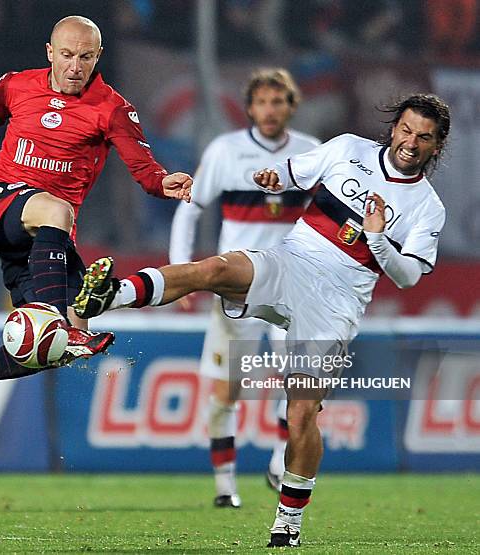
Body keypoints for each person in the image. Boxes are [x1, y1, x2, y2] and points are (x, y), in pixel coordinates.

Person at [74, 94, 450, 547]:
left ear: (436, 146)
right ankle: (110, 295)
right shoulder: (348, 148)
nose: (410, 142)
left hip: (336, 301)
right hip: (291, 261)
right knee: (214, 269)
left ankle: (288, 523)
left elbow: (408, 276)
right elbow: (290, 173)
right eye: (406, 130)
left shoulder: (427, 208)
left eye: (423, 137)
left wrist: (378, 241)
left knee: (302, 412)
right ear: (394, 127)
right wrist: (272, 179)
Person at [0, 15, 192, 434]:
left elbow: (144, 170)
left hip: (43, 237)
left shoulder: (113, 108)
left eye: (85, 57)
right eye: (66, 55)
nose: (74, 66)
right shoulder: (15, 85)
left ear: (98, 56)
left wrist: (165, 182)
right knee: (57, 212)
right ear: (50, 52)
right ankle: (55, 316)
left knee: (52, 348)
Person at [169, 68, 320, 508]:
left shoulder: (310, 154)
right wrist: (182, 273)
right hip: (235, 287)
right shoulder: (226, 151)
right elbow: (190, 209)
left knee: (297, 380)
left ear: (291, 106)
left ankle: (278, 462)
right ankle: (224, 485)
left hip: (292, 287)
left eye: (278, 102)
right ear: (250, 107)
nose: (269, 110)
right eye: (262, 102)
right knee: (226, 390)